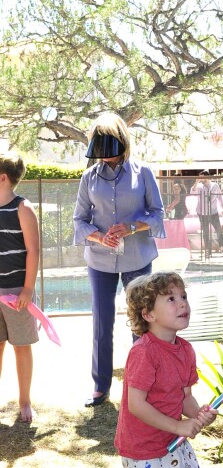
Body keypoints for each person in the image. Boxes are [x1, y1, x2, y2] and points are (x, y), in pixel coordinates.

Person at [73, 113, 166, 407]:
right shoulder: (89, 177)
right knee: (102, 322)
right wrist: (100, 237)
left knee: (142, 321)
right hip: (100, 261)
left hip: (137, 259)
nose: (107, 158)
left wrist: (132, 227)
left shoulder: (144, 173)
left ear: (121, 142)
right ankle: (101, 387)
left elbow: (157, 213)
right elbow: (79, 219)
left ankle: (142, 387)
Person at [115, 271, 218, 468]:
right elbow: (136, 405)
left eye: (183, 296)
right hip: (144, 450)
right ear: (148, 314)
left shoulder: (186, 350)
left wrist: (198, 414)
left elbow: (185, 398)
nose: (183, 303)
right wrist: (178, 426)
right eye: (171, 298)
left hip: (174, 442)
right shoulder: (144, 352)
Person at [0, 152, 39, 422]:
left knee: (21, 346)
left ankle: (24, 402)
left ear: (2, 178)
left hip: (17, 293)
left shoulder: (22, 208)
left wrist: (27, 289)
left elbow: (33, 250)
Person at [191, 170, 223, 256]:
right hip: (202, 212)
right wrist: (196, 182)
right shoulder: (198, 186)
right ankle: (208, 249)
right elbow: (192, 192)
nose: (201, 179)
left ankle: (222, 245)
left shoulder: (215, 185)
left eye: (202, 177)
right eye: (200, 178)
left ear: (207, 177)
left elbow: (219, 197)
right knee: (205, 231)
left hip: (213, 211)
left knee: (218, 229)